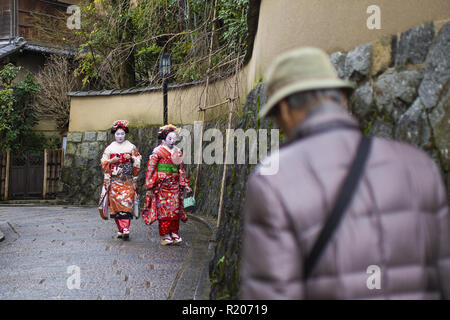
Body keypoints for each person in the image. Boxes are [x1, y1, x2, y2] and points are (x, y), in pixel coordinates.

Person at [240, 47, 450, 299]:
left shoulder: (273, 180)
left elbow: (273, 293)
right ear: (341, 99)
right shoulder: (420, 165)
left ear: (284, 108)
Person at [142, 124, 192, 245]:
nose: (172, 141)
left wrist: (185, 183)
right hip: (162, 186)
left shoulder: (177, 152)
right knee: (164, 211)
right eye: (170, 138)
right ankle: (165, 234)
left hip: (174, 185)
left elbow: (181, 169)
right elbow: (151, 168)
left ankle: (174, 232)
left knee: (175, 210)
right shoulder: (158, 152)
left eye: (174, 138)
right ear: (163, 139)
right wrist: (150, 184)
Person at [100, 120, 142, 239]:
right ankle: (120, 229)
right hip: (114, 181)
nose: (120, 136)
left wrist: (132, 158)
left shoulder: (131, 146)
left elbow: (138, 160)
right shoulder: (110, 148)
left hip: (127, 181)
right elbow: (103, 162)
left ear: (125, 134)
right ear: (114, 134)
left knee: (126, 203)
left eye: (122, 134)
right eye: (118, 134)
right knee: (116, 206)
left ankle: (125, 228)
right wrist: (110, 161)